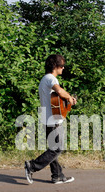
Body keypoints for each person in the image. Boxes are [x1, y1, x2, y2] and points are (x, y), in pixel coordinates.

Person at [24, 54, 77, 184]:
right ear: (55, 66)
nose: (63, 68)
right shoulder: (50, 78)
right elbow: (59, 91)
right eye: (61, 66)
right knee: (57, 148)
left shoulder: (46, 79)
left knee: (54, 148)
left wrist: (67, 101)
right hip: (53, 120)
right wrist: (70, 98)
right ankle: (32, 166)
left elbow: (55, 99)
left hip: (49, 119)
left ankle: (57, 175)